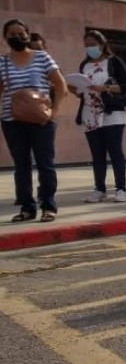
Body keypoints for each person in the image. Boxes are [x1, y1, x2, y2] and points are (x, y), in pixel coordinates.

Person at [1, 18, 65, 222]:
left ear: (28, 34)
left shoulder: (42, 57)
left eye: (21, 33)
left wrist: (54, 111)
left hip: (41, 120)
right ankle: (27, 208)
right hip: (12, 120)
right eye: (12, 34)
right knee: (21, 164)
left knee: (45, 163)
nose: (17, 37)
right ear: (5, 38)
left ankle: (48, 206)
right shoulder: (2, 62)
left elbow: (61, 85)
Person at [76, 29, 126, 205]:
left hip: (111, 112)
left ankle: (121, 189)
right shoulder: (84, 65)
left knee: (115, 152)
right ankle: (99, 189)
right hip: (90, 113)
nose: (90, 48)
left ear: (102, 44)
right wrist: (76, 89)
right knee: (97, 154)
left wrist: (106, 89)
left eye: (93, 44)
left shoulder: (114, 61)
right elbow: (83, 90)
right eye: (87, 45)